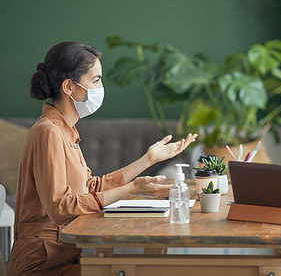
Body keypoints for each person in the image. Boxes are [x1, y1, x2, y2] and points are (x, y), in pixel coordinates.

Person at [6, 42, 198, 276]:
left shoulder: (66, 130)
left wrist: (148, 159)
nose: (101, 88)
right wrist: (130, 190)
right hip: (42, 264)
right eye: (95, 80)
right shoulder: (48, 132)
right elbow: (60, 208)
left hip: (64, 254)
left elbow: (90, 187)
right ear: (69, 86)